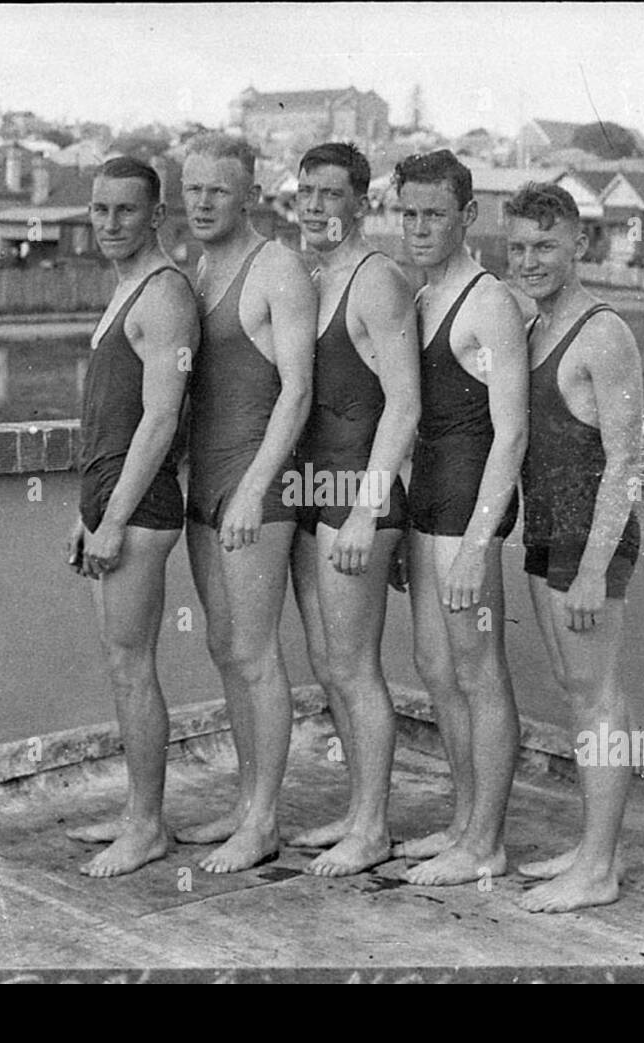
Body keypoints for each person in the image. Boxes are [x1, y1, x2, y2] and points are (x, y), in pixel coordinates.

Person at [177, 133, 316, 873]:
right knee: (225, 648)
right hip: (208, 486)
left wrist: (256, 488)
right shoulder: (202, 267)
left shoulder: (278, 268)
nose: (202, 203)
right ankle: (244, 804)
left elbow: (297, 389)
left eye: (218, 191)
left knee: (257, 654)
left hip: (257, 490)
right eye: (192, 188)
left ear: (249, 195)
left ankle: (264, 821)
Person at [504, 182, 643, 912]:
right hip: (546, 533)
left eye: (545, 246)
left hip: (591, 545)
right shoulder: (535, 329)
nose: (529, 261)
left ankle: (599, 870)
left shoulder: (603, 332)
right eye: (518, 247)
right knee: (576, 692)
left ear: (579, 246)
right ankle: (591, 848)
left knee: (598, 698)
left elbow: (624, 464)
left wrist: (593, 572)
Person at [393, 150, 528, 886]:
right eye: (407, 213)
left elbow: (511, 433)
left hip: (467, 516)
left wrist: (480, 542)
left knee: (480, 675)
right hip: (426, 508)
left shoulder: (488, 303)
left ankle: (487, 844)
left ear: (468, 216)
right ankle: (462, 821)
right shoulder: (420, 301)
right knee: (435, 669)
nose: (418, 227)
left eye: (434, 214)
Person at [287, 142, 420, 877]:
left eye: (330, 194)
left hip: (356, 497)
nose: (313, 206)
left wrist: (368, 513)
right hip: (314, 491)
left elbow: (404, 402)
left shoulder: (377, 282)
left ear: (360, 204)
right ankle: (356, 808)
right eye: (304, 192)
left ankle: (373, 828)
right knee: (327, 664)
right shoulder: (319, 276)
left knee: (355, 666)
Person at [64, 156, 200, 878]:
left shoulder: (165, 295)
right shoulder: (125, 291)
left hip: (141, 511)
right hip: (112, 502)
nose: (109, 223)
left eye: (125, 210)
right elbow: (107, 419)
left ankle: (147, 826)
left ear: (156, 217)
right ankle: (134, 814)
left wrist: (113, 519)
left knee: (133, 667)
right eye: (99, 209)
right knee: (122, 669)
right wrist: (87, 511)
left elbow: (159, 420)